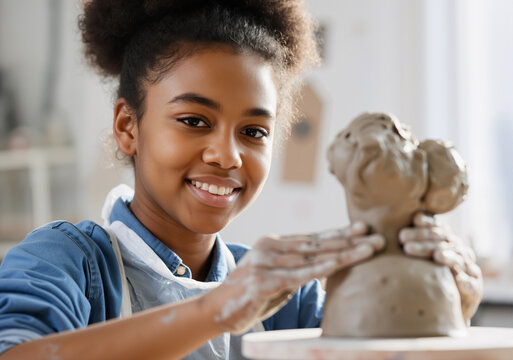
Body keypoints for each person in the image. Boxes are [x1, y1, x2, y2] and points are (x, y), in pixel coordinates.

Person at [0, 1, 481, 359]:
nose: (227, 156)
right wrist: (219, 310)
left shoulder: (288, 299)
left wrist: (448, 314)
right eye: (194, 120)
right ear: (129, 126)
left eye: (254, 132)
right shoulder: (68, 264)